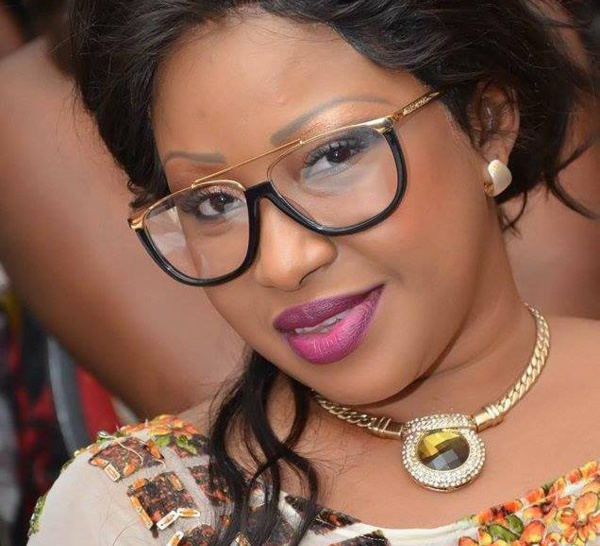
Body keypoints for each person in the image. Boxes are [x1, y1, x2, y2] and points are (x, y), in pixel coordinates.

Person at [24, 1, 600, 545]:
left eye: (333, 155)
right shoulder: (134, 512)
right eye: (213, 203)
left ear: (486, 124)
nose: (283, 263)